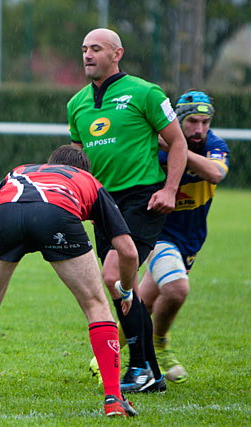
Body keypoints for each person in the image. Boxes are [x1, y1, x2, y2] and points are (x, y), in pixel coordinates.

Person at [0, 146, 139, 417]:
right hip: (57, 216)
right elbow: (129, 251)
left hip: (7, 216)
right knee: (96, 304)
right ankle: (113, 398)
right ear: (84, 170)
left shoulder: (19, 172)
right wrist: (126, 289)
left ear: (50, 163)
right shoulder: (88, 181)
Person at [67, 28, 187, 393]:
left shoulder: (145, 92)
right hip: (102, 202)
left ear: (117, 53)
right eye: (84, 49)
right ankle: (148, 371)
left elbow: (178, 144)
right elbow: (79, 162)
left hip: (142, 198)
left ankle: (140, 367)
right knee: (125, 287)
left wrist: (169, 189)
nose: (88, 55)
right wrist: (79, 200)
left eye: (96, 49)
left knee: (113, 276)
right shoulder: (76, 104)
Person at [139, 91, 229, 384]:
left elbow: (215, 174)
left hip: (191, 238)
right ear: (178, 119)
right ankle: (158, 344)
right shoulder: (155, 147)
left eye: (205, 122)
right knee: (176, 289)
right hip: (158, 232)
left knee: (146, 300)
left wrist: (179, 147)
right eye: (192, 122)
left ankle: (112, 348)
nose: (199, 129)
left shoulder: (214, 145)